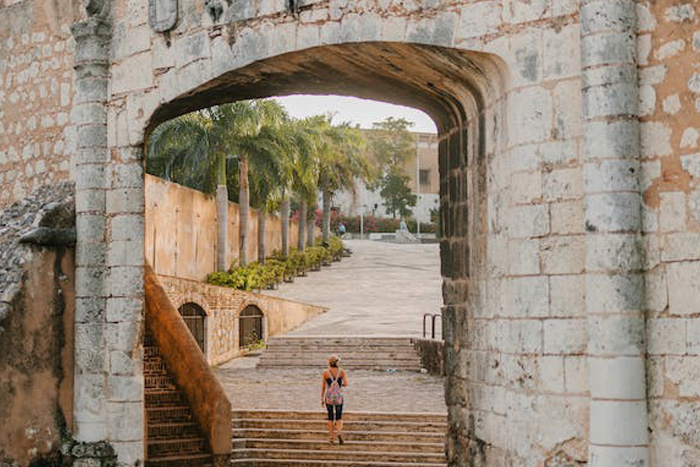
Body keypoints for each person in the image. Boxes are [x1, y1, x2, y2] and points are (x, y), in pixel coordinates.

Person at [321, 354, 348, 445]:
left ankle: (331, 438)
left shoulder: (325, 372)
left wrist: (322, 399)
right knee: (339, 417)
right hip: (338, 396)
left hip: (329, 397)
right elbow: (346, 384)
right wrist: (339, 385)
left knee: (330, 417)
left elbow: (323, 387)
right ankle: (339, 433)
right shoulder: (342, 372)